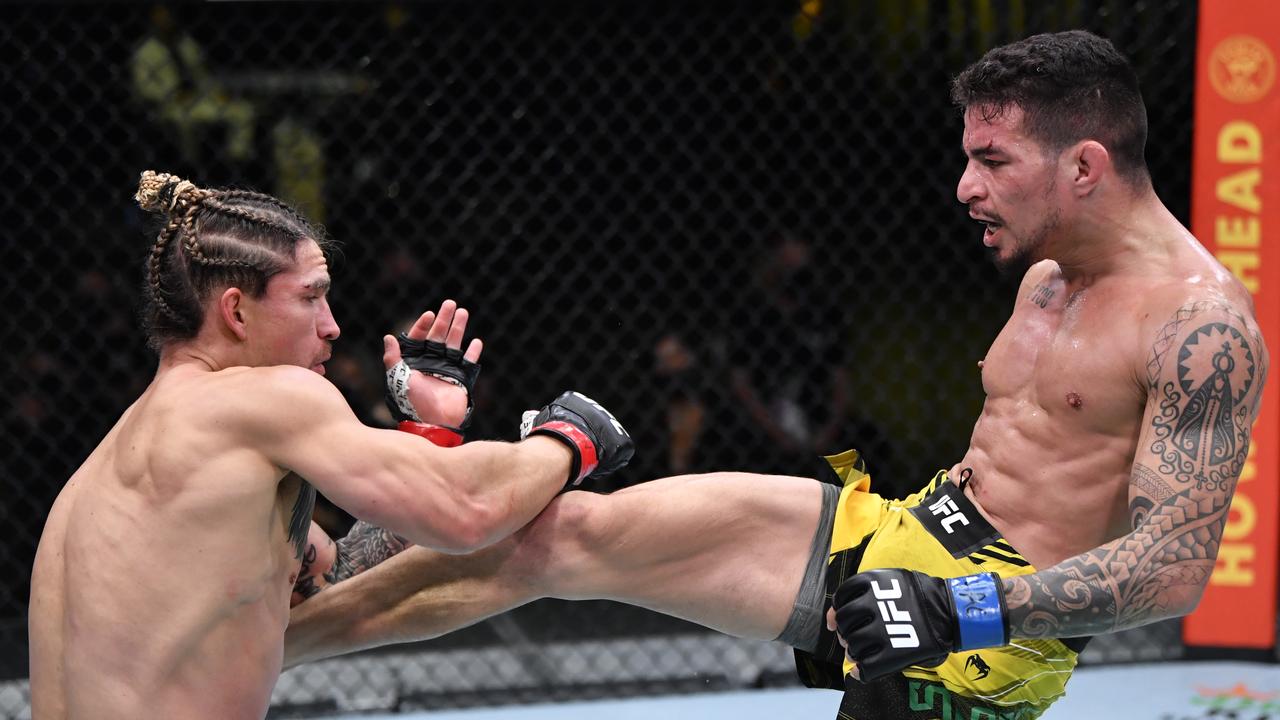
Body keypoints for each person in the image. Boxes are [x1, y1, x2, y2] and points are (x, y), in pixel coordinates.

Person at [283, 31, 1268, 720]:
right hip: (904, 529)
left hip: (985, 645)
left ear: (1084, 166)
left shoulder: (1200, 329)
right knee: (560, 530)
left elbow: (1170, 572)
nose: (963, 185)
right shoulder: (1047, 276)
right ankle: (268, 644)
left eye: (991, 159)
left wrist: (953, 608)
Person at [27, 171, 634, 720]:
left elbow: (337, 577)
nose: (332, 325)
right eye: (310, 296)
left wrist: (431, 434)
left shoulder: (118, 462)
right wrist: (568, 439)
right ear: (236, 313)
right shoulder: (260, 400)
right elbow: (466, 513)